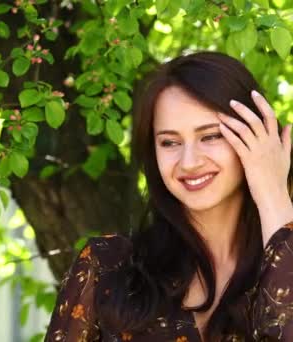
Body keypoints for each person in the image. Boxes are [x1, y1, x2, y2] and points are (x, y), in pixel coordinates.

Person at [44, 51, 293, 341]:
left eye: (210, 136)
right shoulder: (107, 267)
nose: (188, 162)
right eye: (170, 142)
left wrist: (273, 194)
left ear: (257, 136)